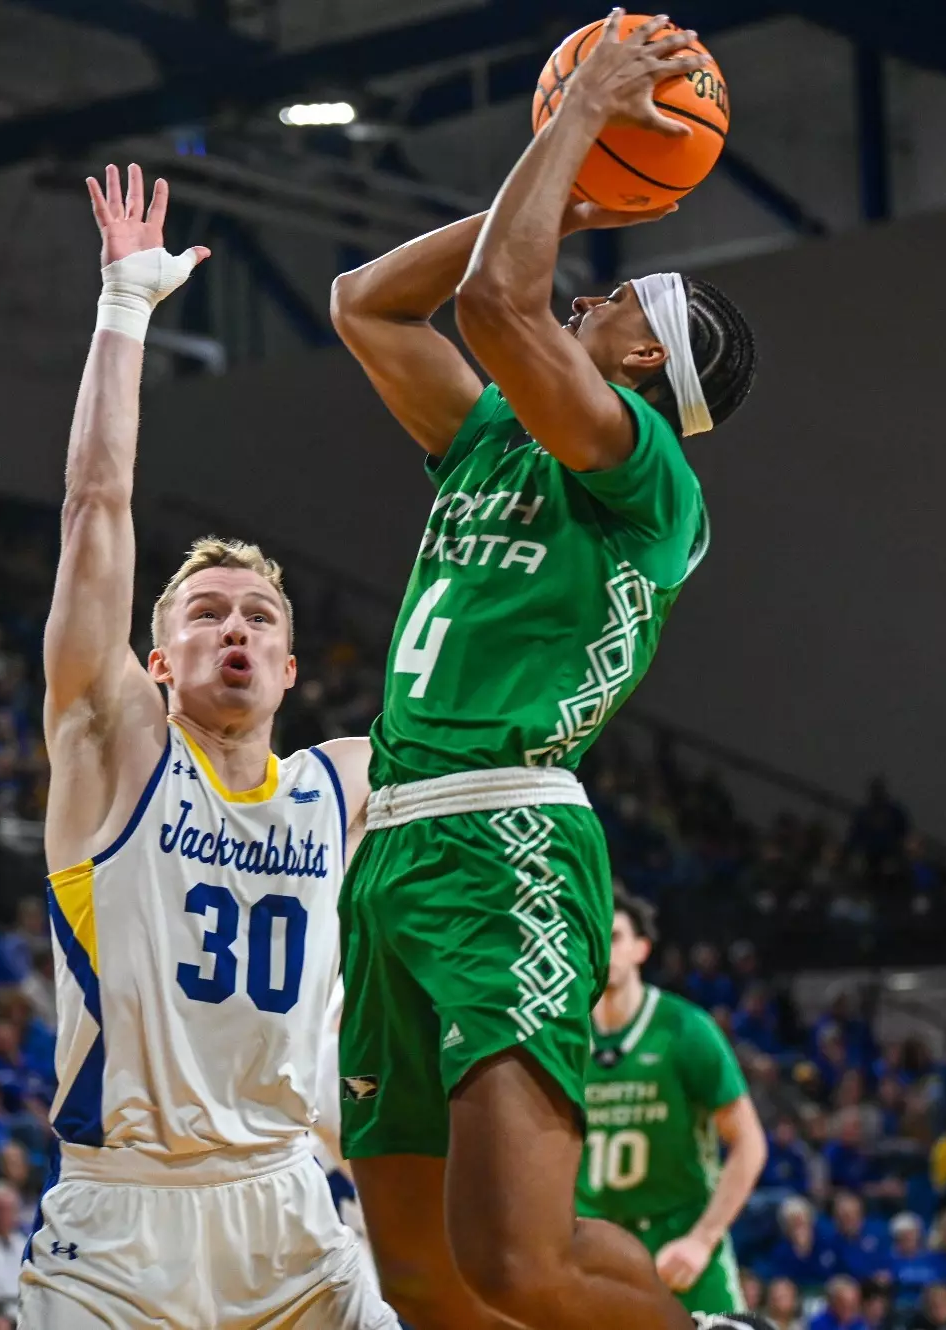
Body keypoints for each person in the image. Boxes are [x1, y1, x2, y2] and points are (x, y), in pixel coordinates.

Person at [327, 15, 757, 1329]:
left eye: (625, 298)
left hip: (503, 830)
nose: (596, 288)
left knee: (516, 1264)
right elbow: (367, 302)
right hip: (392, 851)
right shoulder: (495, 435)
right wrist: (563, 186)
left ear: (647, 362)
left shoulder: (643, 470)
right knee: (425, 1279)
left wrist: (575, 133)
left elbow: (497, 303)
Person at [16, 164, 389, 1330]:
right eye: (205, 613)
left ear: (289, 670)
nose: (236, 625)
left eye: (260, 617)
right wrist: (124, 311)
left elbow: (485, 705)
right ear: (156, 663)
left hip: (288, 1211)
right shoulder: (114, 741)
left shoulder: (340, 781)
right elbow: (96, 508)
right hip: (121, 1221)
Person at [578, 891, 767, 1314]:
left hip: (678, 1239)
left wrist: (702, 1240)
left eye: (614, 936)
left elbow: (749, 1143)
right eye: (592, 936)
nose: (602, 948)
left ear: (642, 948)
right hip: (593, 1244)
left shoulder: (686, 1028)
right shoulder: (565, 1035)